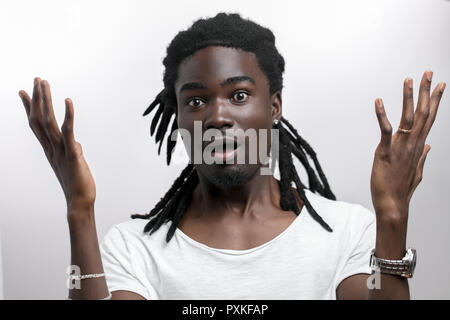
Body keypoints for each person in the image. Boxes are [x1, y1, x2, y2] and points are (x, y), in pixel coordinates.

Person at [18, 13, 446, 300]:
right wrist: (79, 211)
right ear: (180, 118)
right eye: (197, 101)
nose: (218, 116)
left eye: (239, 95)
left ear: (274, 107)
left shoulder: (348, 231)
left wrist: (392, 217)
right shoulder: (135, 247)